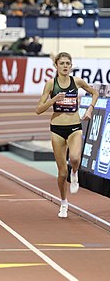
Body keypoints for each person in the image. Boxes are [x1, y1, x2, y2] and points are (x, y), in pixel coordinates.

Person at [36, 52, 99, 218]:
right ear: (56, 66)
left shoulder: (76, 81)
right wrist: (54, 99)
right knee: (62, 173)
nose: (65, 66)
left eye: (67, 63)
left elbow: (95, 93)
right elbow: (38, 109)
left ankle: (75, 172)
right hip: (56, 128)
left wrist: (90, 108)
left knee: (75, 159)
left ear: (71, 66)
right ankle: (64, 203)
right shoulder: (51, 84)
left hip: (74, 127)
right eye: (61, 63)